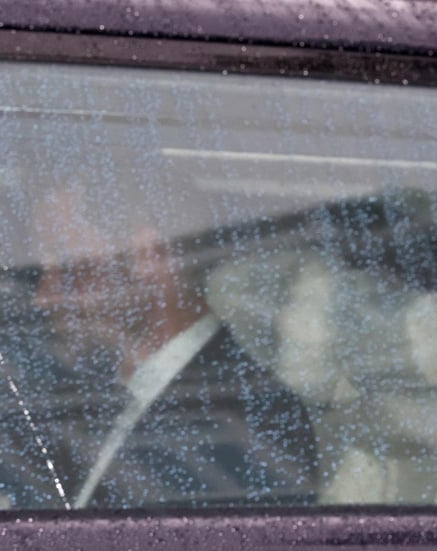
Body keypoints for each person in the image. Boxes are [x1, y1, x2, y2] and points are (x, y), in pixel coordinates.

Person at [26, 184, 318, 509]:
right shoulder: (92, 396)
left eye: (69, 269)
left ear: (149, 254)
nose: (43, 298)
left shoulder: (250, 419)